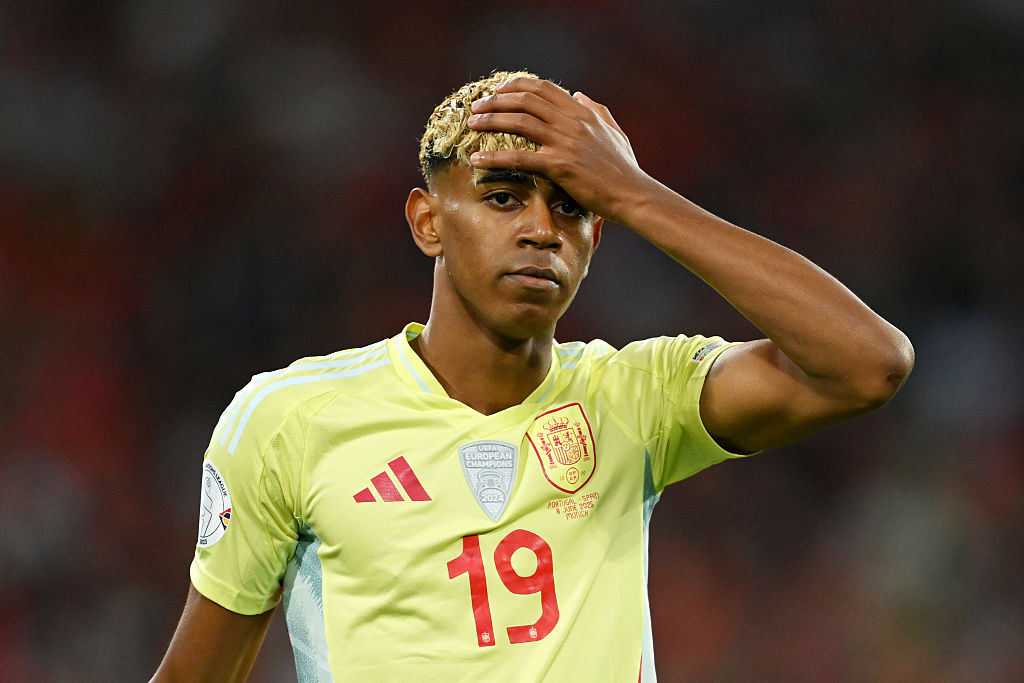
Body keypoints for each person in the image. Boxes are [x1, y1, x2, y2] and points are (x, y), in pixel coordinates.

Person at [151, 70, 913, 682]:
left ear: (598, 233)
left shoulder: (636, 397)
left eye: (572, 206)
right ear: (427, 221)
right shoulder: (290, 420)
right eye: (503, 197)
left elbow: (869, 364)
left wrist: (635, 192)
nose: (542, 229)